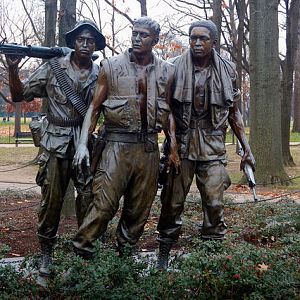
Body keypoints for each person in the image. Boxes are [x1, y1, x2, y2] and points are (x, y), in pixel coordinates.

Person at [72, 16, 180, 259]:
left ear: (155, 39)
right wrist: (82, 145)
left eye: (143, 35)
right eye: (134, 33)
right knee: (103, 205)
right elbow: (94, 108)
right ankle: (81, 255)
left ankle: (125, 260)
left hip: (149, 148)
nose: (137, 38)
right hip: (116, 146)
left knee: (138, 210)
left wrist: (172, 146)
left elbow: (169, 110)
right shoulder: (110, 66)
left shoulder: (167, 70)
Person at [6, 20, 106, 277]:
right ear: (72, 42)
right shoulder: (52, 68)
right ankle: (46, 256)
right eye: (80, 39)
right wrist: (13, 70)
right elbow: (20, 96)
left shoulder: (100, 74)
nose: (85, 44)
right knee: (51, 201)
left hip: (85, 143)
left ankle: (84, 254)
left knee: (88, 199)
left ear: (96, 45)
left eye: (90, 40)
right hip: (55, 143)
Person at [156, 19, 256, 269]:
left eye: (203, 38)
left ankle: (211, 255)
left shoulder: (228, 70)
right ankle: (164, 253)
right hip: (182, 143)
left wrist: (247, 148)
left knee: (214, 202)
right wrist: (172, 145)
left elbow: (234, 112)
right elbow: (166, 108)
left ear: (213, 42)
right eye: (193, 38)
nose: (197, 43)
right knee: (172, 202)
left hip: (212, 144)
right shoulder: (174, 67)